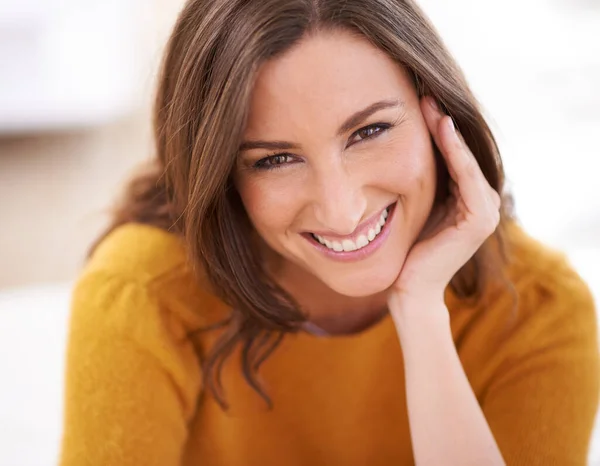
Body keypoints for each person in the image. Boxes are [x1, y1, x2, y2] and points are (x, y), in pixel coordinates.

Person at [58, 0, 600, 465]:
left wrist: (421, 313)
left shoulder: (540, 310)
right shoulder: (141, 296)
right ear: (222, 173)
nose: (343, 211)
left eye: (370, 131)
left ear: (439, 113)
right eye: (273, 160)